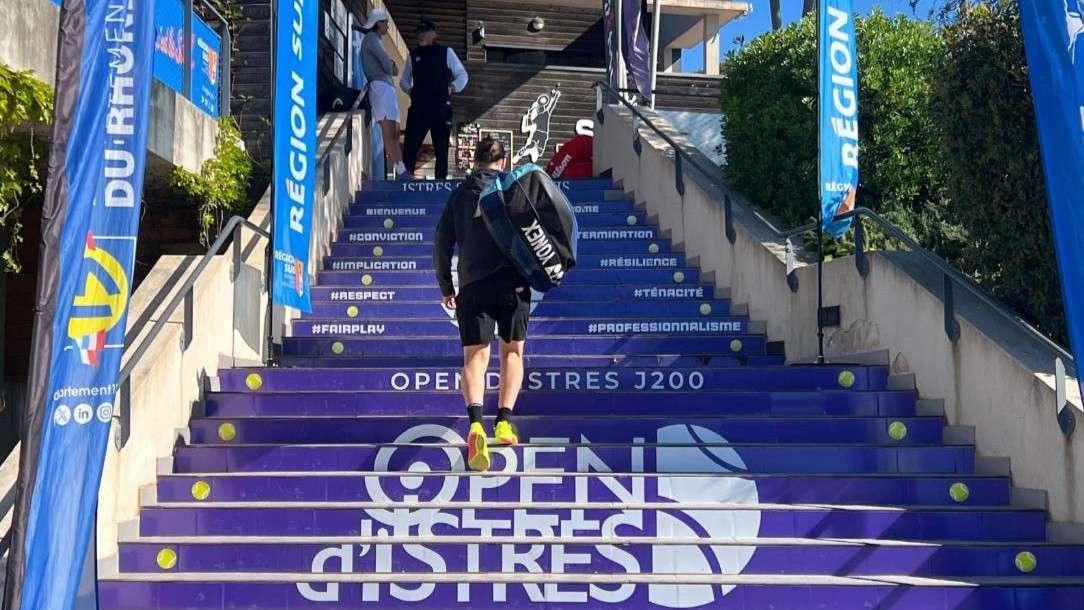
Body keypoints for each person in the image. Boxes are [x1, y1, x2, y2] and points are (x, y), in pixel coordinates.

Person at [433, 138, 528, 472]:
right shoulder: (513, 188)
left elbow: (442, 241)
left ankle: (475, 422)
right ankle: (504, 421)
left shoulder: (459, 195)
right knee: (512, 351)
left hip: (472, 284)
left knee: (475, 356)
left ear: (474, 162)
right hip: (513, 281)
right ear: (503, 162)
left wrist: (447, 284)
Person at [400, 19, 469, 180]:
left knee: (441, 149)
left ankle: (440, 183)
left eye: (424, 33)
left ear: (433, 34)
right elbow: (404, 81)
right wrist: (412, 92)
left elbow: (463, 75)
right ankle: (404, 181)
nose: (420, 36)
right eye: (419, 33)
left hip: (440, 107)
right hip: (419, 108)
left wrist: (452, 87)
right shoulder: (413, 56)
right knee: (410, 146)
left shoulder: (446, 52)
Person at [361, 8, 409, 180]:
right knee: (389, 131)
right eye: (385, 23)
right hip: (380, 86)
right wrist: (391, 64)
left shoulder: (377, 40)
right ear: (377, 23)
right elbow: (389, 67)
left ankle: (401, 169)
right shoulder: (371, 40)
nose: (388, 26)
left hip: (386, 87)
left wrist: (391, 64)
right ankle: (401, 171)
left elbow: (391, 67)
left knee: (395, 132)